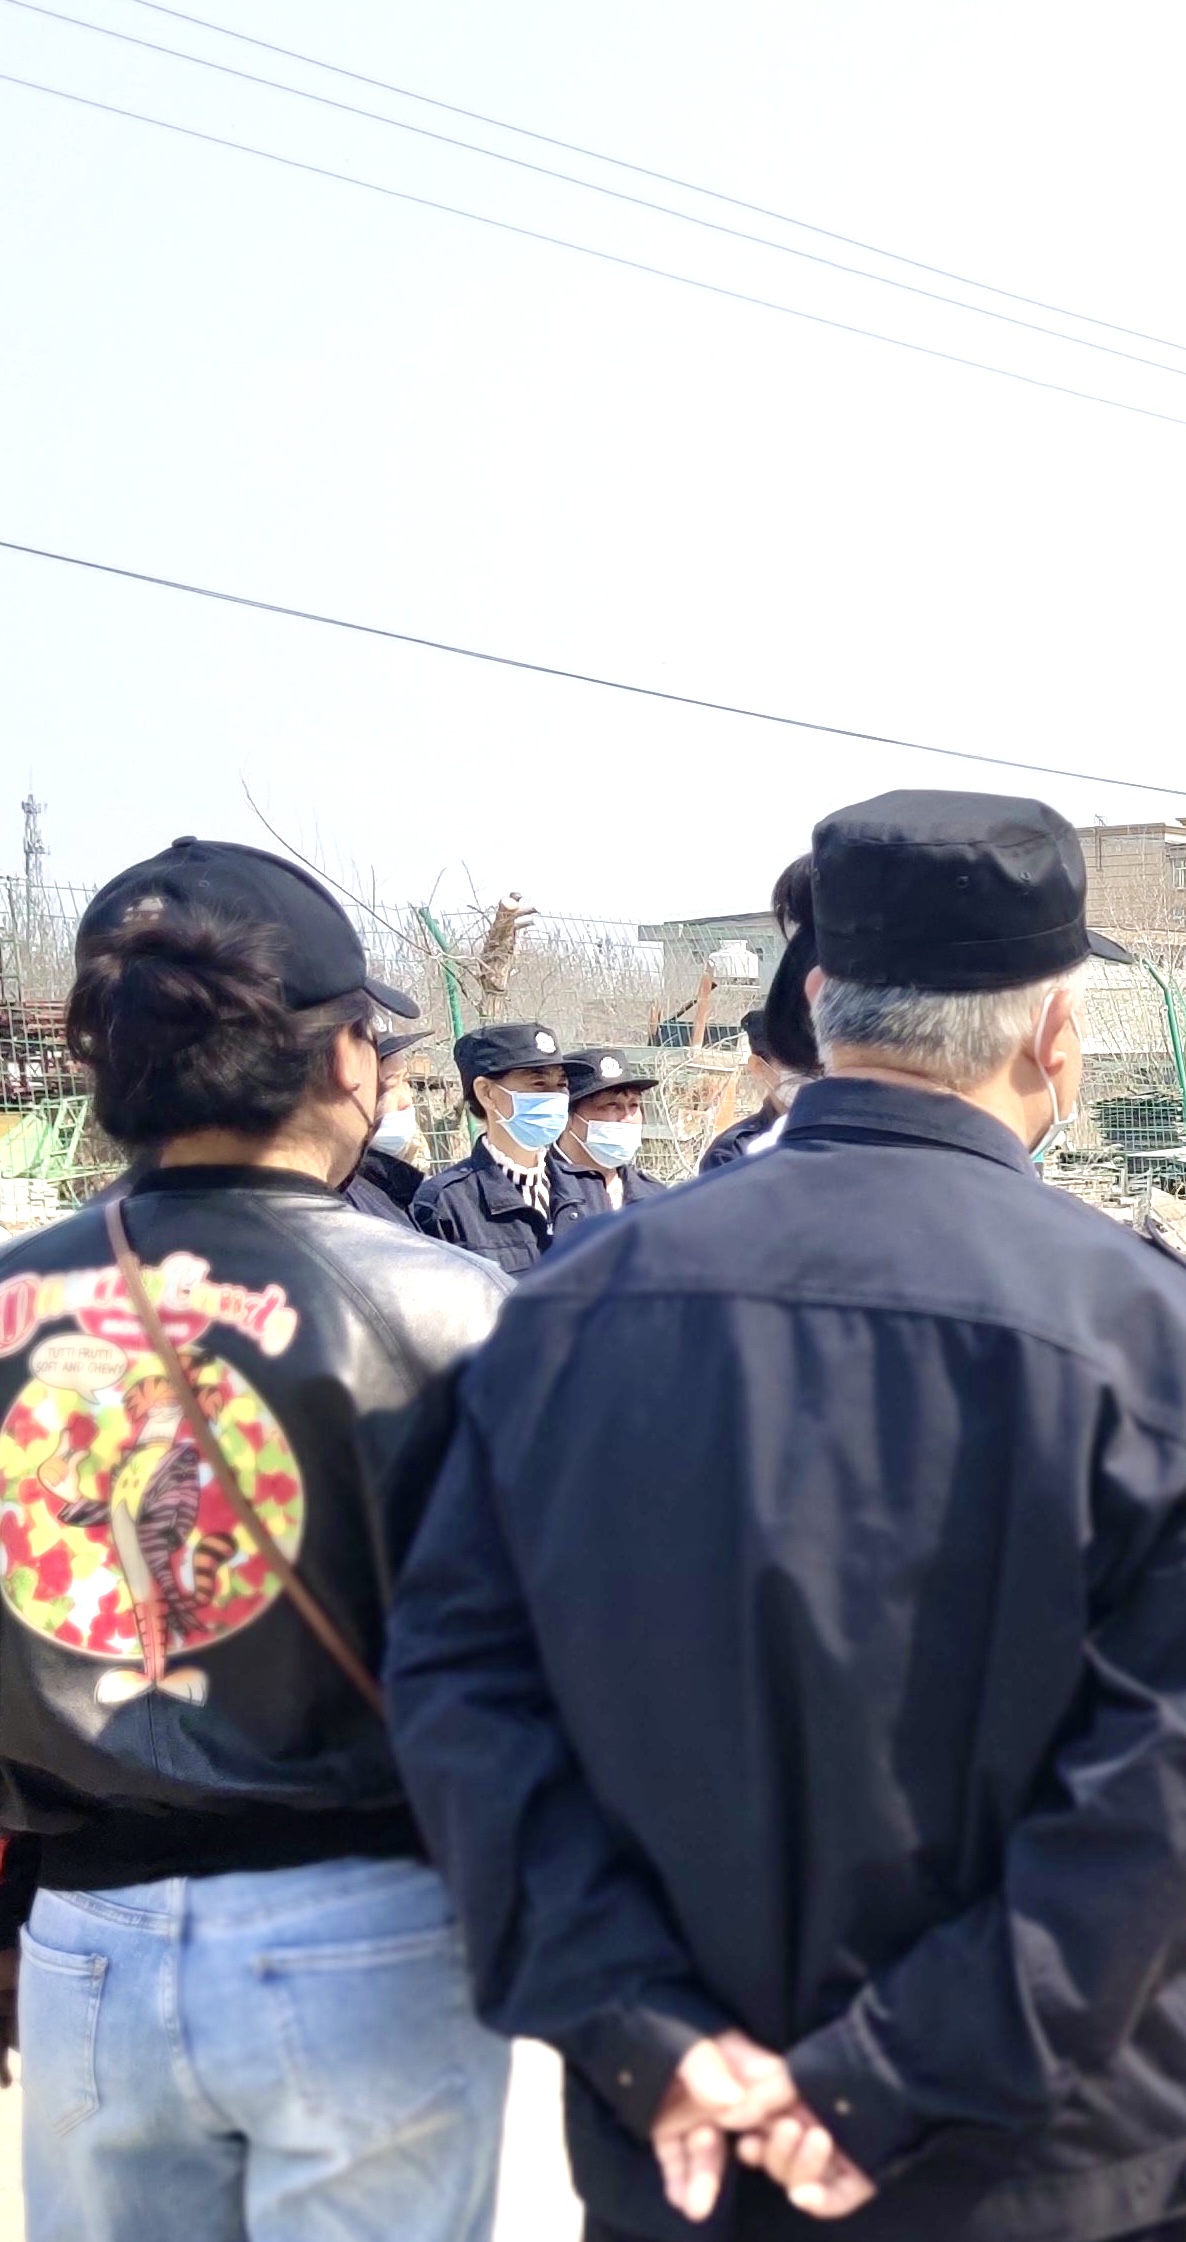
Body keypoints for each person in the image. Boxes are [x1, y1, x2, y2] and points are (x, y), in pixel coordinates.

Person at [385, 790, 1186, 2242]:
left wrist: (642, 2027)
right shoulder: (1149, 1329)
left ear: (817, 1000)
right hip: (1048, 2160)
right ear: (1054, 1032)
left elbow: (457, 1700)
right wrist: (887, 2076)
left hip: (693, 2141)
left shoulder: (567, 1314)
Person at [0, 837, 512, 2240]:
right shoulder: (459, 1309)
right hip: (366, 1927)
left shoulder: (7, 1297)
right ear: (346, 1058)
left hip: (84, 1942)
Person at [410, 1021, 583, 1272]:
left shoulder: (584, 1189)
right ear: (487, 1093)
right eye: (538, 1085)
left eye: (561, 1085)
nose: (555, 1097)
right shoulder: (444, 1205)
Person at [554, 1046, 669, 1221]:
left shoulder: (654, 1194)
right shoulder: (541, 1188)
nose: (627, 1117)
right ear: (568, 1116)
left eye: (634, 1105)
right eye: (612, 1105)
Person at [342, 1027, 434, 1225]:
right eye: (389, 1087)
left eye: (407, 1082)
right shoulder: (346, 1202)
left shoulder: (398, 1187)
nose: (406, 1101)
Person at [696, 1005, 787, 1172]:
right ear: (759, 1067)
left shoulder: (844, 1135)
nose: (811, 1073)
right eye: (793, 1063)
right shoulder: (732, 1155)